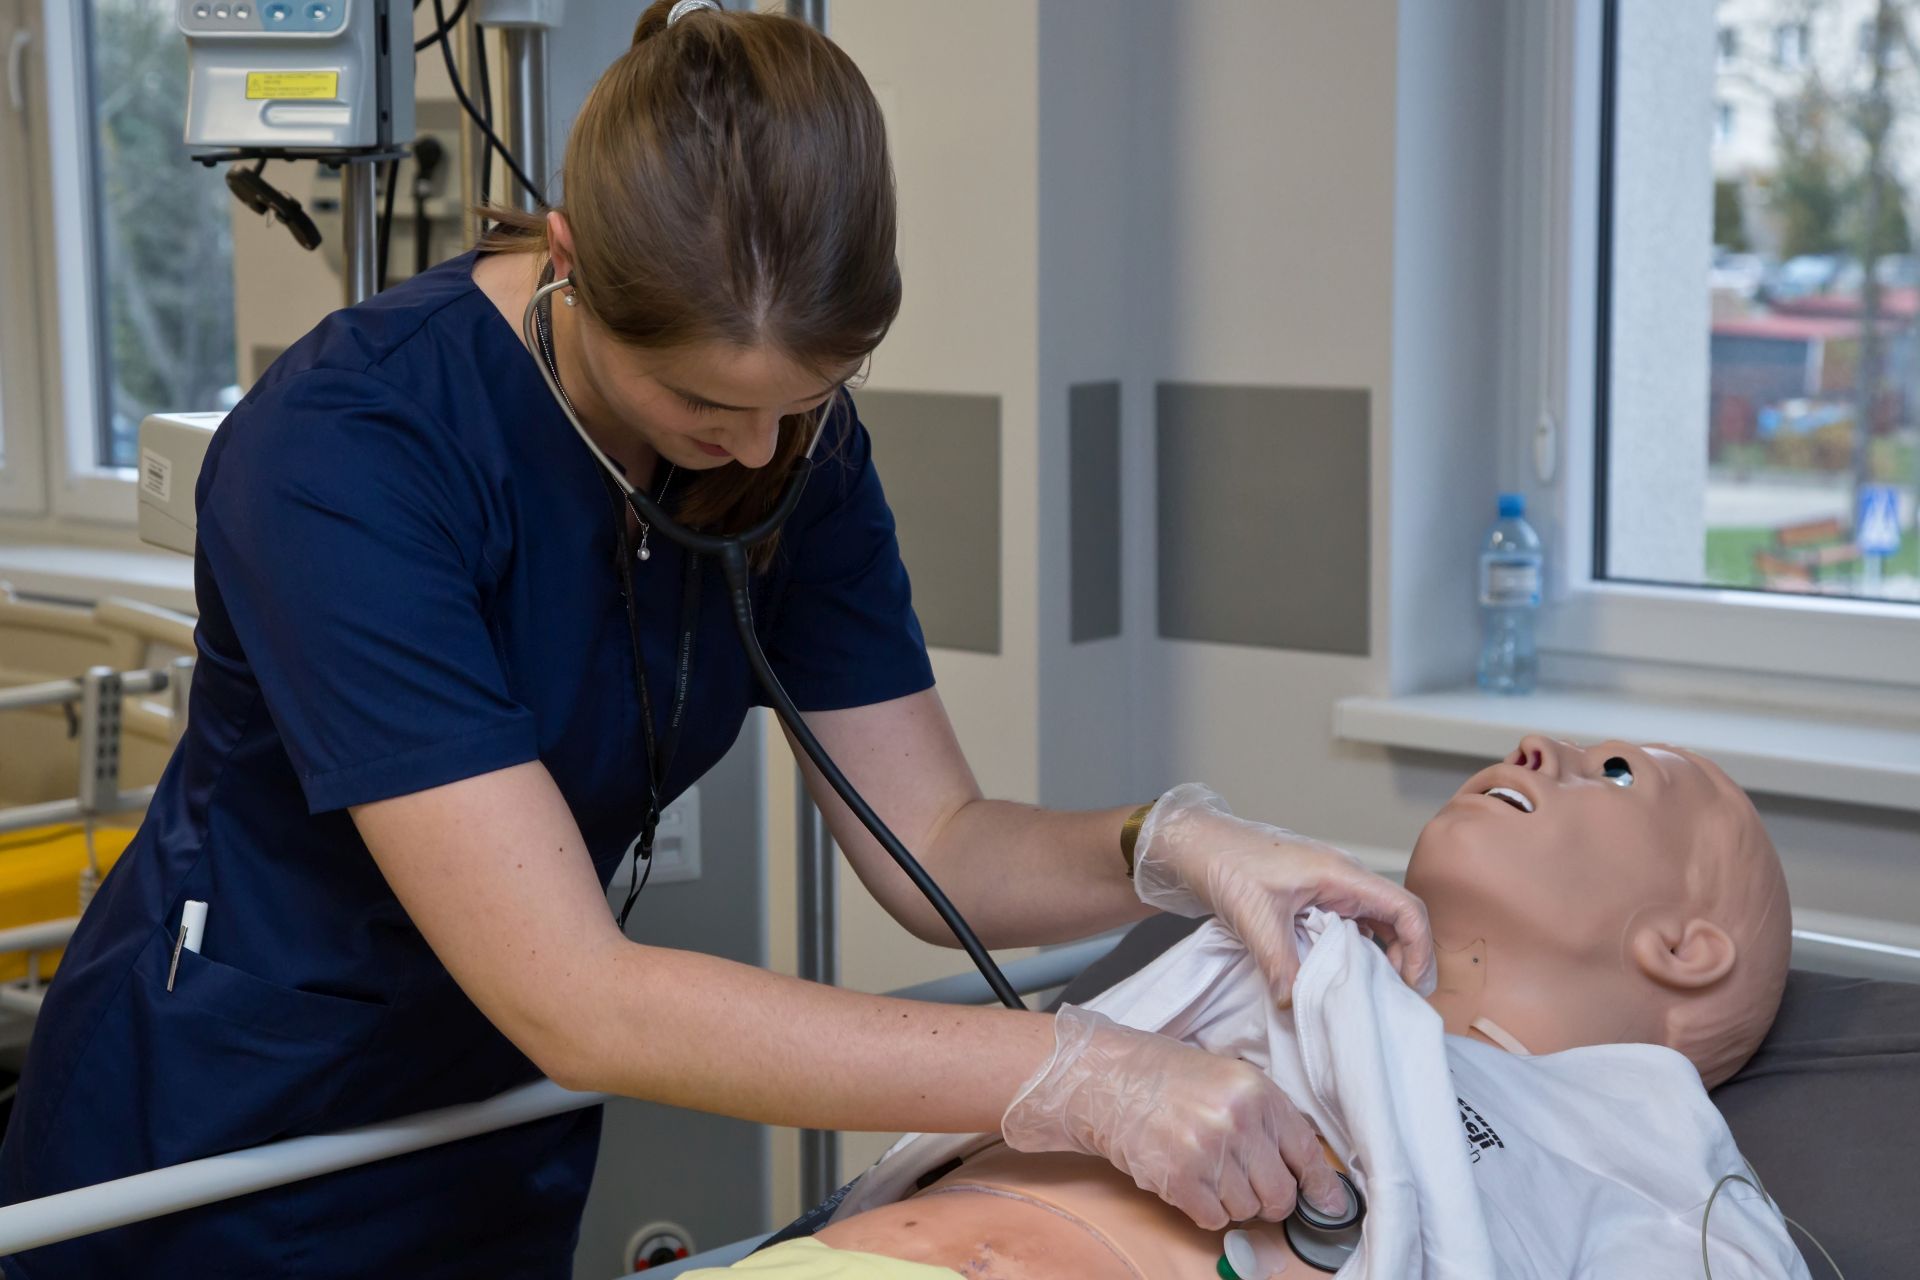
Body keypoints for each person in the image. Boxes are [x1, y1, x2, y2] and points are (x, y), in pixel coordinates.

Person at [0, 6, 1430, 1276]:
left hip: (495, 1126)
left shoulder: (798, 449)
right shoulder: (346, 454)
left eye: (805, 400)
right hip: (228, 1136)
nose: (756, 451)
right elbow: (577, 995)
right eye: (701, 403)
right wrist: (1080, 1075)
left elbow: (933, 844)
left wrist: (1168, 847)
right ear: (568, 262)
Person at [688, 736, 1806, 1279]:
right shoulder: (1282, 953)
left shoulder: (1636, 1148)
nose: (1533, 748)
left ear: (1686, 948)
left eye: (1617, 772)